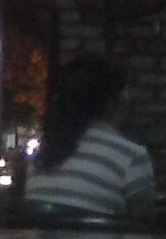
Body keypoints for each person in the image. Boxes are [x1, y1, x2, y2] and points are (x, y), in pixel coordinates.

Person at [23, 54, 155, 219]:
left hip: (43, 237)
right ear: (114, 101)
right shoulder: (132, 157)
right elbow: (142, 229)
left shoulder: (42, 156)